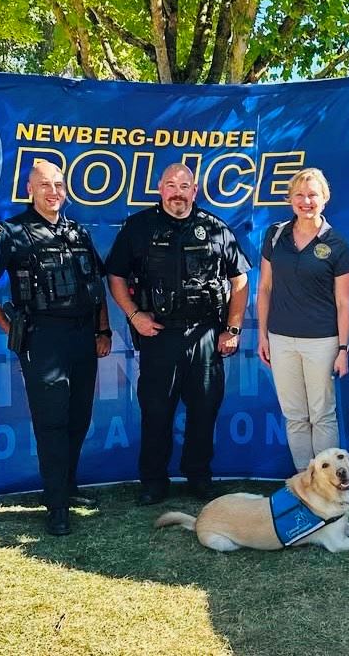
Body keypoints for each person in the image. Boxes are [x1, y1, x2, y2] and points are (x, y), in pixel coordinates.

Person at [0, 160, 111, 536]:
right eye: (45, 185)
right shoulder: (12, 231)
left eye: (59, 185)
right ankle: (56, 505)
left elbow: (96, 286)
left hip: (83, 337)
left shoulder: (77, 232)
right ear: (30, 190)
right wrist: (6, 324)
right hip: (43, 339)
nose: (53, 192)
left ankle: (68, 486)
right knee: (52, 422)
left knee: (79, 417)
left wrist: (103, 330)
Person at [106, 163, 251, 506]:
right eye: (171, 185)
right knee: (156, 412)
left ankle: (199, 477)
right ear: (160, 189)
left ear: (194, 191)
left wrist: (232, 329)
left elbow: (240, 279)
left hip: (205, 335)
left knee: (204, 410)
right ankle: (153, 481)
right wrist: (134, 315)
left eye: (184, 186)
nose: (177, 193)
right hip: (159, 336)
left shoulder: (215, 228)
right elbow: (115, 276)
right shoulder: (138, 227)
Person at [257, 168, 349, 471]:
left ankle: (327, 484)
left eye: (313, 195)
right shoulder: (275, 235)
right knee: (295, 416)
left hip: (322, 342)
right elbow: (264, 288)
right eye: (299, 195)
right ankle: (305, 480)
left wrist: (343, 349)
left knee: (322, 414)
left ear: (325, 198)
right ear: (290, 199)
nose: (306, 201)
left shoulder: (337, 245)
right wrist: (262, 335)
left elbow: (344, 303)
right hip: (281, 339)